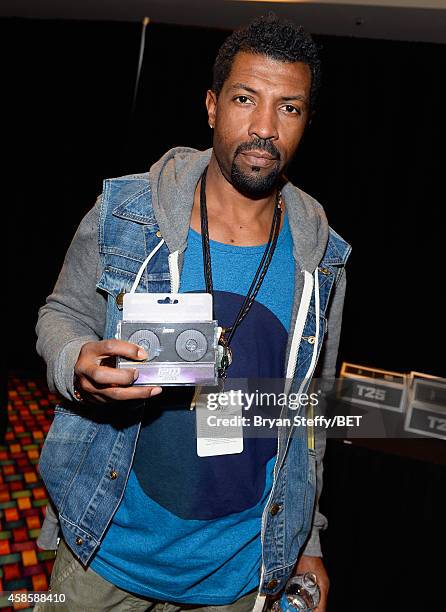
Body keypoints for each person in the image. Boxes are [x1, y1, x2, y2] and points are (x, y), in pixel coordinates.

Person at [35, 13, 350, 612]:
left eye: (289, 108)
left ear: (307, 120)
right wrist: (76, 359)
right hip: (105, 552)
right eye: (244, 99)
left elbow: (311, 409)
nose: (264, 128)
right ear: (211, 107)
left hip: (240, 569)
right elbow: (61, 311)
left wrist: (308, 538)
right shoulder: (127, 212)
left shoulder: (321, 257)